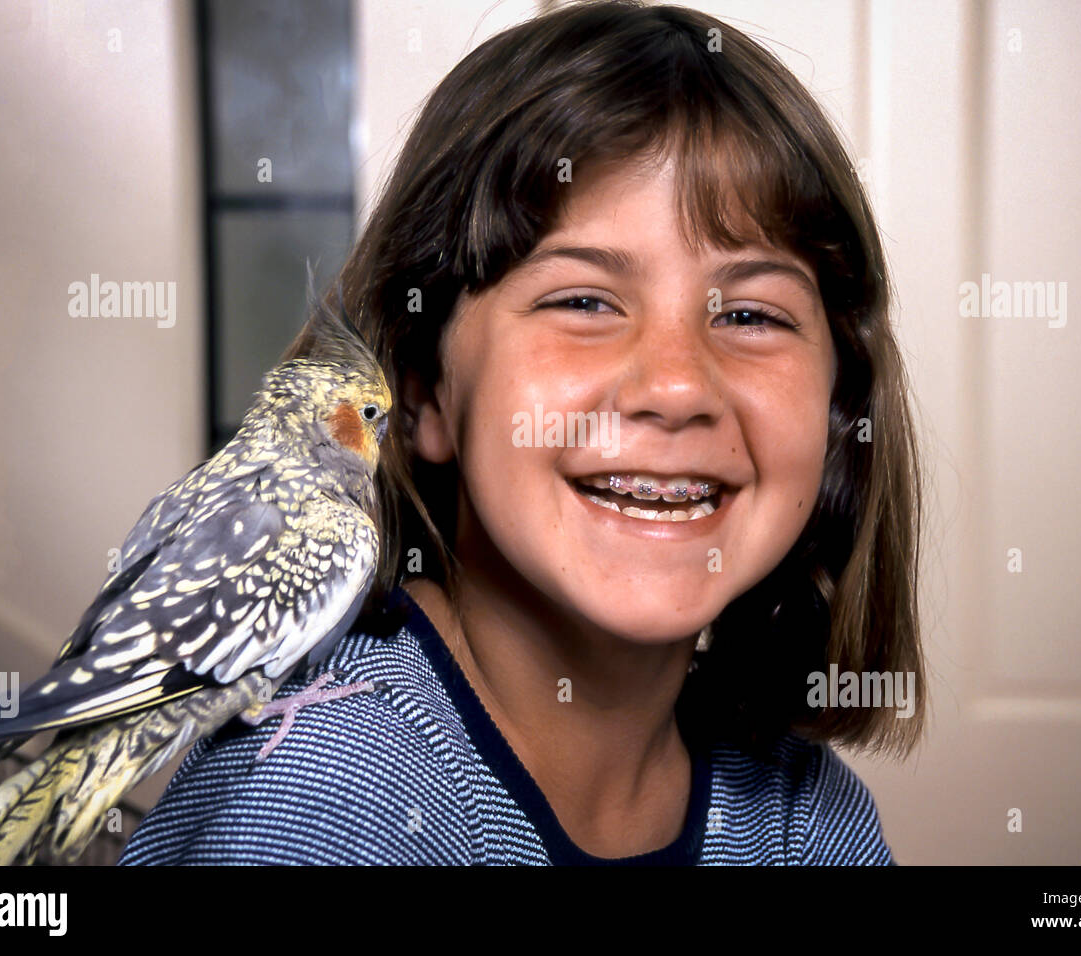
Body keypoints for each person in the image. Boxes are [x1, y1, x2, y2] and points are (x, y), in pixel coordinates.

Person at [119, 0, 925, 866]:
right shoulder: (327, 802)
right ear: (421, 393)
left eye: (753, 314)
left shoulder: (808, 817)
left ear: (841, 412)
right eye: (583, 301)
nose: (678, 385)